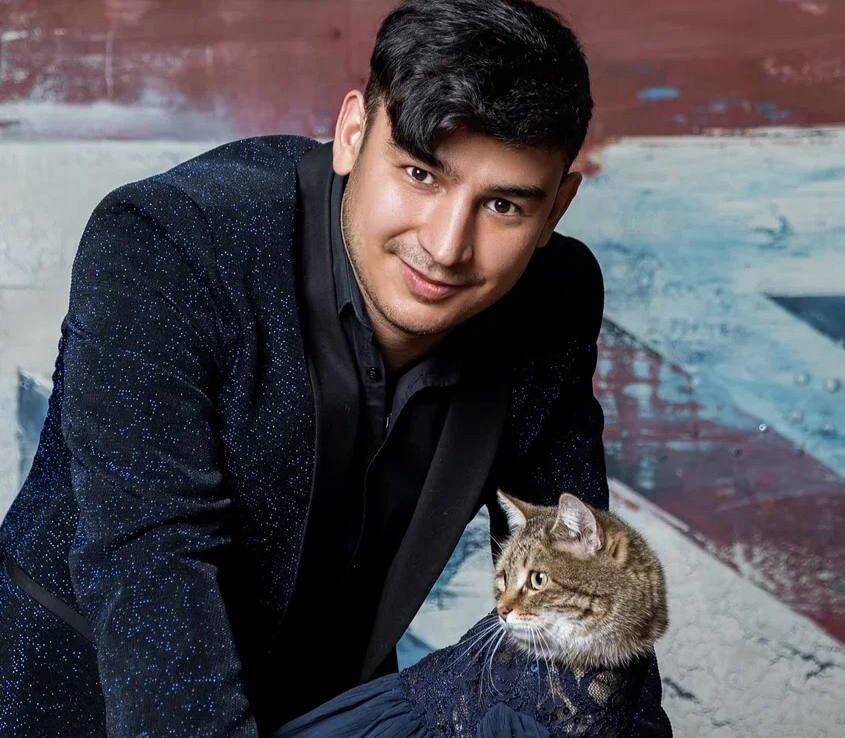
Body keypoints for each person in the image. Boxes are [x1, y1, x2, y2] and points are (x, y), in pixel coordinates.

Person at [0, 0, 670, 735]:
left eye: (504, 205)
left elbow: (600, 588)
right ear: (353, 132)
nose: (446, 246)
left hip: (331, 700)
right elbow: (151, 566)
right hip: (96, 698)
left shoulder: (554, 296)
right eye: (420, 173)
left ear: (557, 209)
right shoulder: (169, 244)